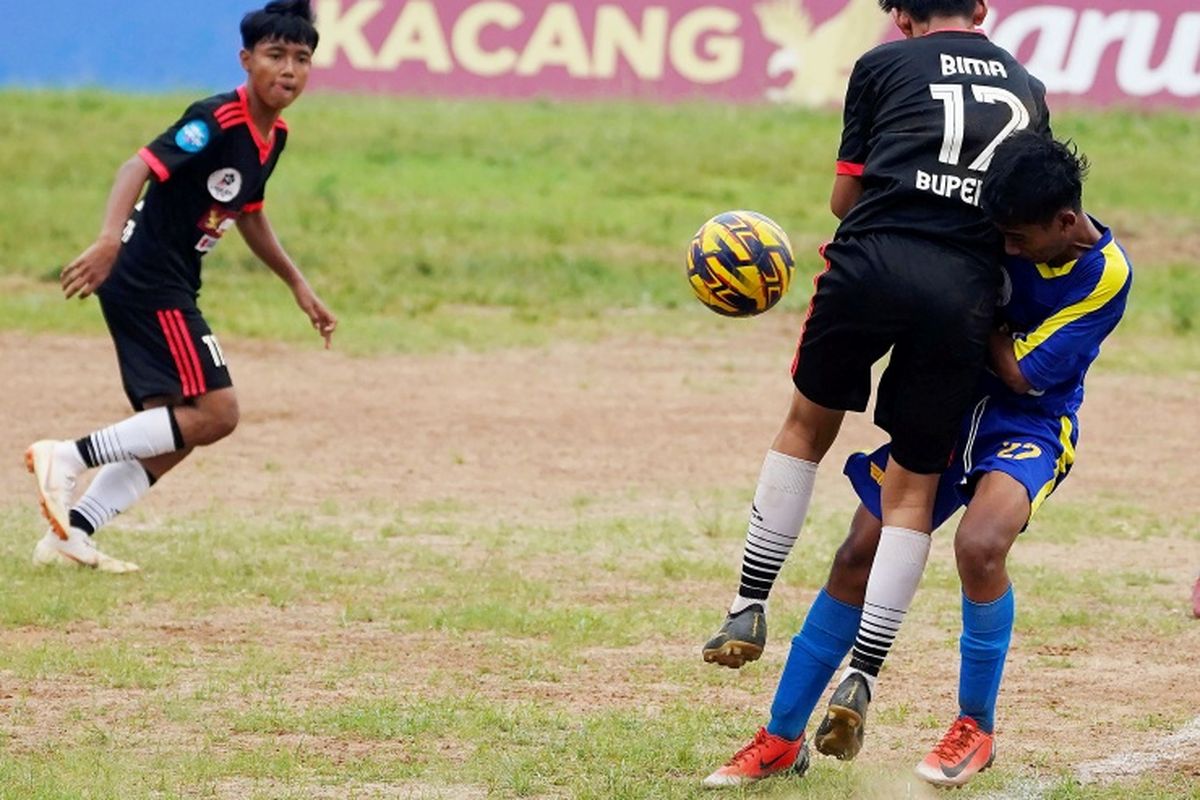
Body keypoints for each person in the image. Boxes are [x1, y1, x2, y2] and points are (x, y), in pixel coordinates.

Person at [704, 131, 1131, 789]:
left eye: (1019, 239)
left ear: (1065, 221)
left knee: (981, 546)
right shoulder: (1004, 224)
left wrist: (959, 310)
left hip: (1030, 424)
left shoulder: (1105, 276)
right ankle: (781, 738)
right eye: (1002, 237)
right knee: (857, 554)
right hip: (948, 401)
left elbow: (1020, 374)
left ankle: (974, 725)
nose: (1007, 248)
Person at [702, 0, 1048, 674]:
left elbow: (843, 200)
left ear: (898, 16)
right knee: (913, 490)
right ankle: (862, 672)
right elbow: (1024, 217)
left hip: (870, 266)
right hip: (963, 291)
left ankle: (748, 603)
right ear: (980, 7)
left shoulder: (882, 63)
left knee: (806, 427)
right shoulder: (1028, 87)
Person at [24, 0, 335, 572]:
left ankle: (72, 534)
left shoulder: (275, 135)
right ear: (246, 60)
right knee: (218, 413)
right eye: (274, 56)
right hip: (147, 278)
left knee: (176, 428)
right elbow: (135, 166)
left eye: (301, 57)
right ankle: (65, 456)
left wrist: (298, 284)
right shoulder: (217, 120)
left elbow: (249, 212)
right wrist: (109, 239)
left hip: (167, 280)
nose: (289, 69)